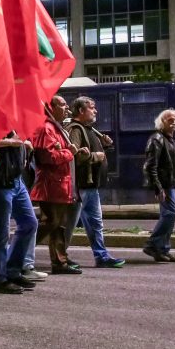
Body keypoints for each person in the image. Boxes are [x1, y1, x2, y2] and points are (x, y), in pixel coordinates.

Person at [65, 96, 126, 269]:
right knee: (68, 225)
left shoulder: (88, 129)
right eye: (92, 107)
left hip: (90, 186)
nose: (95, 110)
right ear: (81, 111)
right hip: (81, 186)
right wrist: (95, 156)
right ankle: (60, 257)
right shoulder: (75, 129)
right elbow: (73, 156)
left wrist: (104, 146)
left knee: (93, 224)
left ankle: (101, 256)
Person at [0, 129, 40, 293]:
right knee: (0, 231)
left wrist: (23, 144)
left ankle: (12, 270)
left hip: (16, 179)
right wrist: (12, 142)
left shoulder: (13, 118)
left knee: (29, 223)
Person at [30, 95, 81, 274]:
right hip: (51, 186)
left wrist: (70, 151)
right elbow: (47, 157)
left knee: (59, 224)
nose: (67, 108)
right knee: (50, 222)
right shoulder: (46, 128)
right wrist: (69, 152)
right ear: (51, 108)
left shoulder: (57, 128)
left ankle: (60, 262)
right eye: (63, 104)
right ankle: (20, 253)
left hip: (61, 185)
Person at [143, 109, 175, 262]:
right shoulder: (157, 139)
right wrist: (158, 187)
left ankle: (162, 249)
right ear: (161, 122)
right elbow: (151, 165)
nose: (174, 122)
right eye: (170, 119)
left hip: (173, 184)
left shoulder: (174, 141)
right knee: (171, 213)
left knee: (169, 214)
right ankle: (153, 244)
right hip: (165, 184)